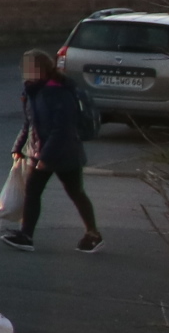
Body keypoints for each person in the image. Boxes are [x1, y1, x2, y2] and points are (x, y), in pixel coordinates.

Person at [8, 47, 102, 252]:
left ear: (42, 69)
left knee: (75, 192)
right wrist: (19, 147)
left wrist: (45, 157)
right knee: (33, 192)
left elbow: (62, 129)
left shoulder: (58, 92)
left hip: (64, 153)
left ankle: (92, 234)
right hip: (41, 152)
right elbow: (30, 123)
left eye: (29, 67)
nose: (25, 71)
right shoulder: (32, 91)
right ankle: (26, 235)